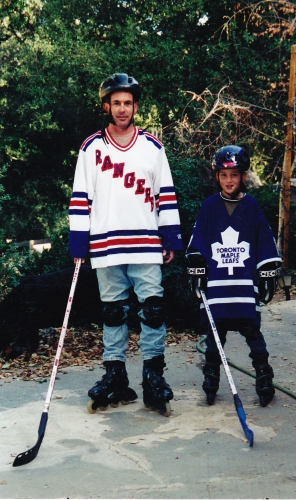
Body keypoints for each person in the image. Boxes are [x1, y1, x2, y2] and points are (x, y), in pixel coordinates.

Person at [68, 73, 183, 416]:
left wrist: (171, 236)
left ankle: (153, 376)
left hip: (146, 242)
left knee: (153, 309)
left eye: (127, 103)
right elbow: (79, 199)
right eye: (116, 103)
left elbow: (166, 195)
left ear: (135, 106)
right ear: (106, 106)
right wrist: (78, 242)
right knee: (113, 312)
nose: (122, 109)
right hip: (105, 243)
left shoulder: (152, 147)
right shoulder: (91, 148)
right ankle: (115, 375)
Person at [186, 145, 282, 407]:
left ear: (243, 176)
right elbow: (199, 240)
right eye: (224, 175)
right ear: (217, 176)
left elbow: (264, 237)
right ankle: (212, 376)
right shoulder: (209, 206)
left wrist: (267, 271)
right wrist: (197, 266)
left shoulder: (251, 206)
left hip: (243, 284)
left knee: (253, 334)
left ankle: (263, 376)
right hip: (217, 286)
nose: (230, 181)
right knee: (215, 336)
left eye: (235, 175)